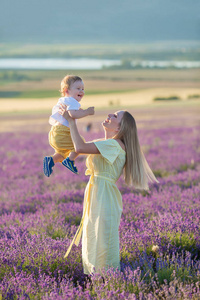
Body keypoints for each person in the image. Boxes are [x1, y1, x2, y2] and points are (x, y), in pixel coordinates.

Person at [60, 108, 158, 275]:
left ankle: (107, 284)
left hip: (104, 197)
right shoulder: (108, 143)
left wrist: (72, 121)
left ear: (120, 128)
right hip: (98, 194)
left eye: (115, 116)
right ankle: (100, 283)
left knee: (101, 242)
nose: (109, 116)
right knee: (94, 239)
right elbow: (77, 149)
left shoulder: (115, 145)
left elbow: (80, 146)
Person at [43, 75, 94, 177]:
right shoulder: (72, 101)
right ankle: (70, 161)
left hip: (54, 133)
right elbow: (73, 115)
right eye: (78, 88)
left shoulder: (63, 100)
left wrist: (81, 111)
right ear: (67, 91)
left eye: (83, 89)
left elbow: (73, 112)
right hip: (63, 132)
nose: (81, 91)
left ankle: (51, 160)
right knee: (79, 145)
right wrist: (87, 112)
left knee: (62, 153)